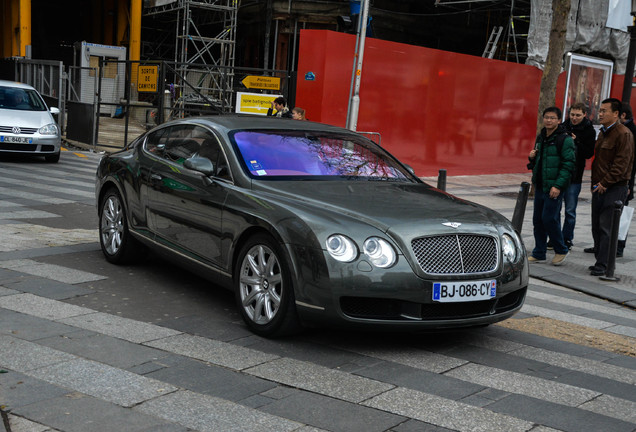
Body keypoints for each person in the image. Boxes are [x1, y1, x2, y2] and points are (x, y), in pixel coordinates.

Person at [588, 98, 635, 276]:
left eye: (604, 111)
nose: (600, 114)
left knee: (607, 227)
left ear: (616, 114)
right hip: (598, 186)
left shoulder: (624, 134)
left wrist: (605, 183)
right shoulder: (602, 133)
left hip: (614, 187)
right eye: (599, 110)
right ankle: (600, 260)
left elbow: (621, 165)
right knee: (596, 227)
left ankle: (604, 265)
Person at [527, 106, 576, 265]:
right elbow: (539, 162)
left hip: (554, 186)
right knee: (537, 220)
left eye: (552, 118)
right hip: (541, 185)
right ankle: (539, 252)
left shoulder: (564, 139)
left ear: (559, 120)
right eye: (546, 117)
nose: (549, 120)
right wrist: (532, 158)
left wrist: (558, 186)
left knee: (549, 218)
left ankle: (561, 249)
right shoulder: (541, 137)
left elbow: (568, 165)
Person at [558, 102, 596, 249]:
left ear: (584, 115)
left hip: (575, 176)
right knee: (555, 209)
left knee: (570, 210)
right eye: (572, 114)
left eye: (578, 115)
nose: (574, 118)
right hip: (560, 174)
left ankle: (567, 238)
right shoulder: (562, 127)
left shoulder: (589, 130)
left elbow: (588, 153)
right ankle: (555, 237)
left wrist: (576, 141)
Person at [616, 102, 636, 257]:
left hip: (624, 181)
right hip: (621, 180)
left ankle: (619, 247)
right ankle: (606, 246)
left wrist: (629, 183)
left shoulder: (630, 132)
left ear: (622, 115)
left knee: (621, 214)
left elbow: (631, 163)